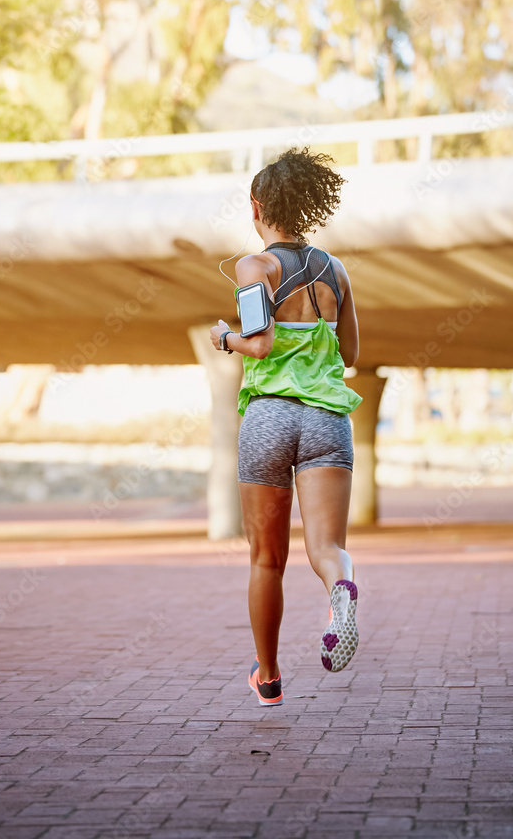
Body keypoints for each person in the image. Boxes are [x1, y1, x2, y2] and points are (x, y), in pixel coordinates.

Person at [209, 146, 363, 707]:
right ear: (307, 206)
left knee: (266, 559)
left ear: (257, 206)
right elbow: (349, 352)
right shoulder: (336, 270)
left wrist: (224, 338)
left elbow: (261, 342)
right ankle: (341, 587)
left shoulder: (257, 267)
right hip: (327, 418)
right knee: (327, 546)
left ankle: (268, 677)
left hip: (269, 419)